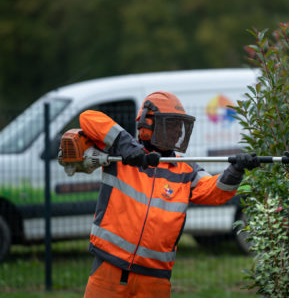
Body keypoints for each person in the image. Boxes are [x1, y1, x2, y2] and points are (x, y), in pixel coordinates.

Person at [81, 91, 260, 298]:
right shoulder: (120, 156)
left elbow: (214, 191)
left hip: (155, 279)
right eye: (172, 124)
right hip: (108, 269)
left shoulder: (185, 170)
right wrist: (123, 142)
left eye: (179, 125)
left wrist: (235, 171)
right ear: (147, 124)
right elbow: (87, 117)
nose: (177, 131)